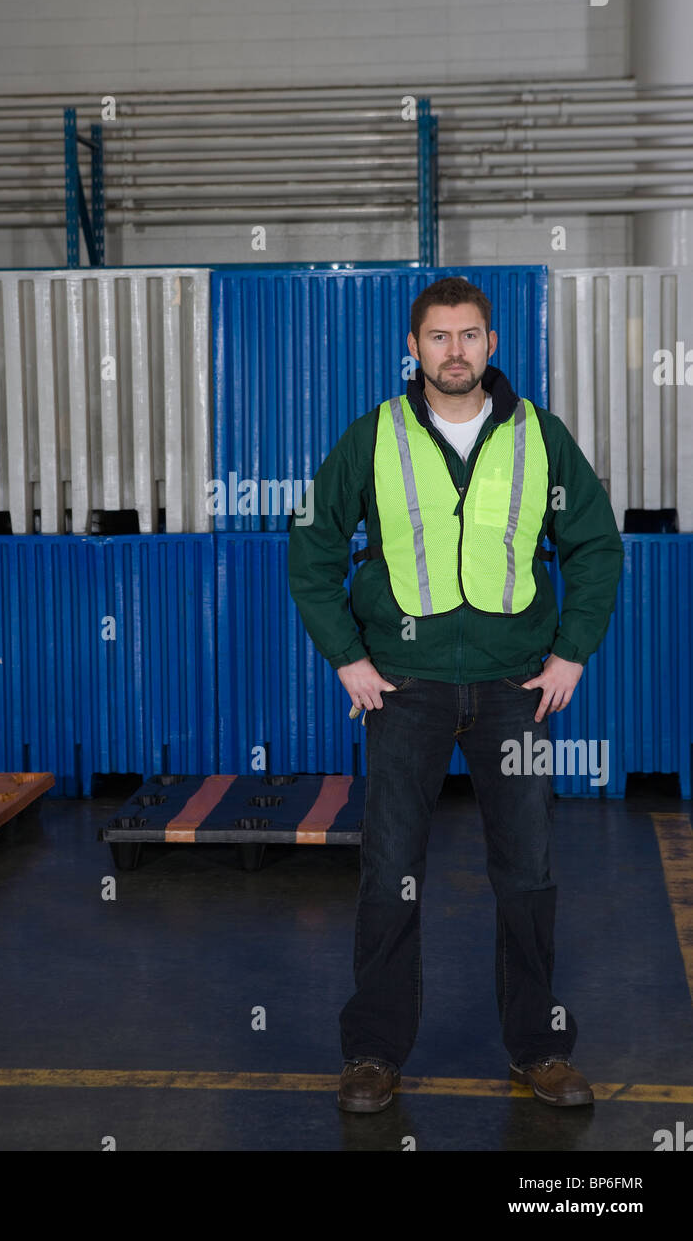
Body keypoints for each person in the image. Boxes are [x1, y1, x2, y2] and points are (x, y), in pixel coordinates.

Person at [287, 274, 623, 1114]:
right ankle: (372, 1053)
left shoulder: (540, 435)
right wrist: (347, 660)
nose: (455, 351)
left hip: (516, 690)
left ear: (492, 345)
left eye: (470, 335)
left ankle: (540, 1051)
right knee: (390, 870)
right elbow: (311, 549)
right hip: (406, 689)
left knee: (529, 873)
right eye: (438, 337)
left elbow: (595, 545)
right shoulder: (375, 436)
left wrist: (571, 656)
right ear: (414, 348)